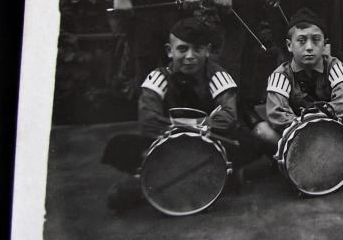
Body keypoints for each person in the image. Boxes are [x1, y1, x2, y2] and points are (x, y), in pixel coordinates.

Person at [101, 18, 270, 212]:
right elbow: (149, 122)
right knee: (117, 146)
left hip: (209, 144)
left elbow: (228, 116)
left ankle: (157, 182)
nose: (190, 56)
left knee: (250, 142)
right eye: (182, 49)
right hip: (169, 146)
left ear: (207, 50)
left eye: (197, 49)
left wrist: (189, 128)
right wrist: (187, 131)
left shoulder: (217, 76)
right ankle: (214, 175)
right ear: (169, 51)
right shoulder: (157, 78)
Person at [256, 8, 343, 150]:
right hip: (299, 137)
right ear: (289, 45)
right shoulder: (281, 75)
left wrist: (315, 121)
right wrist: (306, 126)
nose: (309, 47)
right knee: (263, 131)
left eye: (316, 40)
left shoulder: (334, 66)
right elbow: (277, 114)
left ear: (325, 44)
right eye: (301, 41)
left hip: (332, 131)